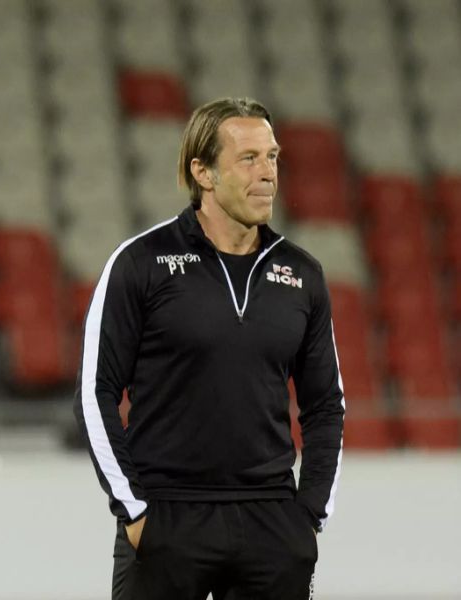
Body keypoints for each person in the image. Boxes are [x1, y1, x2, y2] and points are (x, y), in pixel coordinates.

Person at [74, 97, 345, 599]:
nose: (267, 173)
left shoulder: (303, 274)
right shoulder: (140, 263)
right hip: (167, 518)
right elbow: (95, 393)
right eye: (249, 158)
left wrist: (308, 517)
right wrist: (135, 512)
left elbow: (326, 405)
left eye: (273, 157)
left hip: (272, 521)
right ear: (203, 171)